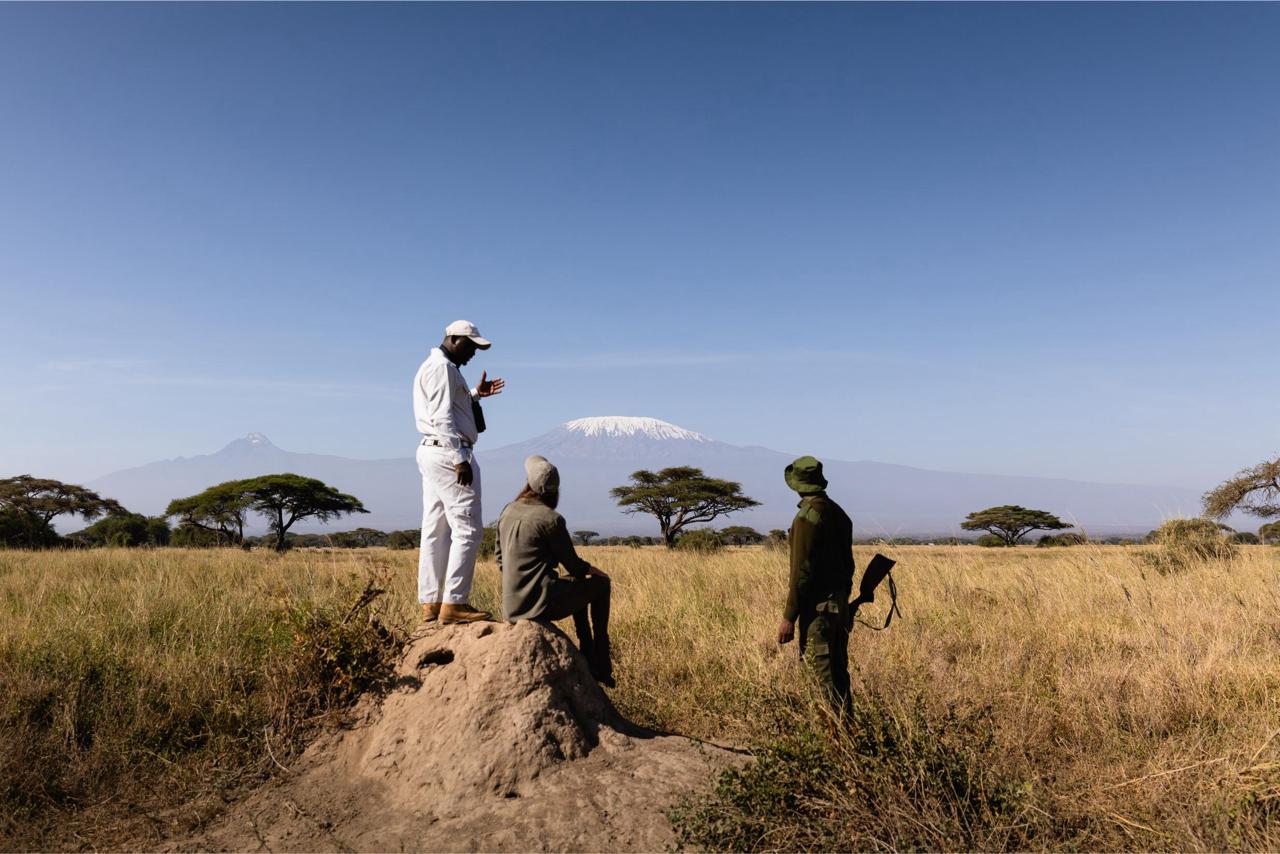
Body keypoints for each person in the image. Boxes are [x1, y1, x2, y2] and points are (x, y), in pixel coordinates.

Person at [413, 319, 505, 625]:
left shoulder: (437, 367)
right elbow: (441, 416)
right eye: (470, 346)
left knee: (436, 528)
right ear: (453, 339)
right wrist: (459, 458)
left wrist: (475, 395)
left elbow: (447, 408)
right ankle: (455, 603)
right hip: (449, 452)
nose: (473, 354)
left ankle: (431, 602)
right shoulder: (443, 369)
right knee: (468, 528)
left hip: (432, 450)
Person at [496, 455, 614, 686]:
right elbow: (574, 566)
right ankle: (598, 658)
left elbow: (500, 559)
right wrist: (597, 571)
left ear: (528, 483)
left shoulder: (508, 510)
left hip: (511, 605)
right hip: (541, 605)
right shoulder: (551, 519)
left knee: (577, 582)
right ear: (554, 491)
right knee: (599, 585)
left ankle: (589, 651)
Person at [776, 455, 855, 714]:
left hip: (818, 612)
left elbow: (801, 572)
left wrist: (789, 617)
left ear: (797, 484)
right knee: (839, 674)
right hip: (838, 606)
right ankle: (848, 733)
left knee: (821, 677)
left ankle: (832, 740)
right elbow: (848, 565)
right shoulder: (839, 513)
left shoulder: (806, 518)